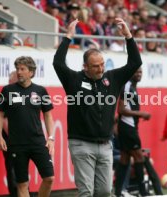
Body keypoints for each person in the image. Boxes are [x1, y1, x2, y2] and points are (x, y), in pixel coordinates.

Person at [53, 18, 142, 196]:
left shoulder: (113, 78)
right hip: (81, 143)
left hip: (105, 144)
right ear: (85, 67)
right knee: (86, 192)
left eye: (102, 64)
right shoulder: (74, 80)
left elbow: (134, 63)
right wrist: (68, 37)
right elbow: (58, 63)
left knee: (103, 192)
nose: (101, 69)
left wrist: (128, 36)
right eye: (95, 66)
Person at [0, 56, 55, 197]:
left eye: (22, 69)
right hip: (17, 144)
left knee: (49, 178)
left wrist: (51, 137)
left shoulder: (40, 91)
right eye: (17, 69)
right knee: (22, 184)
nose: (19, 72)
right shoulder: (7, 90)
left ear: (31, 72)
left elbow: (48, 115)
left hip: (38, 142)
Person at [115, 67, 163, 197]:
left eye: (140, 72)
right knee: (139, 157)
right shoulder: (127, 86)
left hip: (130, 127)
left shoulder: (132, 87)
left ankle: (117, 192)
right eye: (136, 71)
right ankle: (143, 192)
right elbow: (121, 109)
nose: (139, 74)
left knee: (125, 159)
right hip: (127, 127)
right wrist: (141, 114)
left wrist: (138, 116)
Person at [1, 71, 18, 197]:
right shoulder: (7, 95)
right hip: (11, 140)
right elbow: (4, 119)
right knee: (12, 167)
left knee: (19, 168)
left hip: (20, 139)